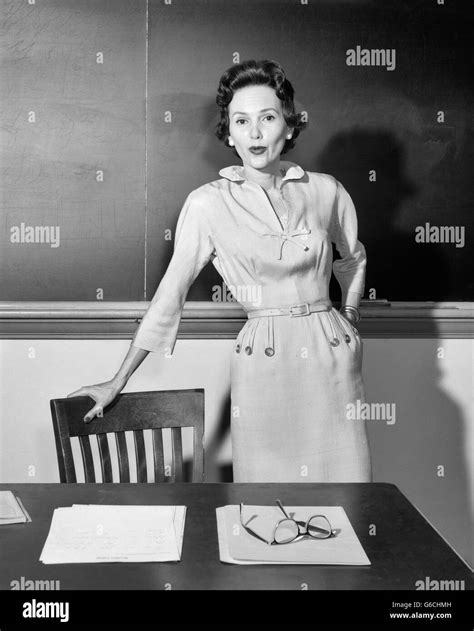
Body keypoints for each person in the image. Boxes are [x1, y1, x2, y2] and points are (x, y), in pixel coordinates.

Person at [68, 59, 372, 483]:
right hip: (264, 361)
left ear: (288, 125)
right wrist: (117, 380)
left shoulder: (326, 190)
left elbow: (353, 257)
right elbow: (168, 296)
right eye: (241, 121)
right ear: (228, 133)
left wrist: (351, 316)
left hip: (332, 357)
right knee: (270, 502)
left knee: (344, 497)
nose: (255, 132)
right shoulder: (207, 204)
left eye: (267, 118)